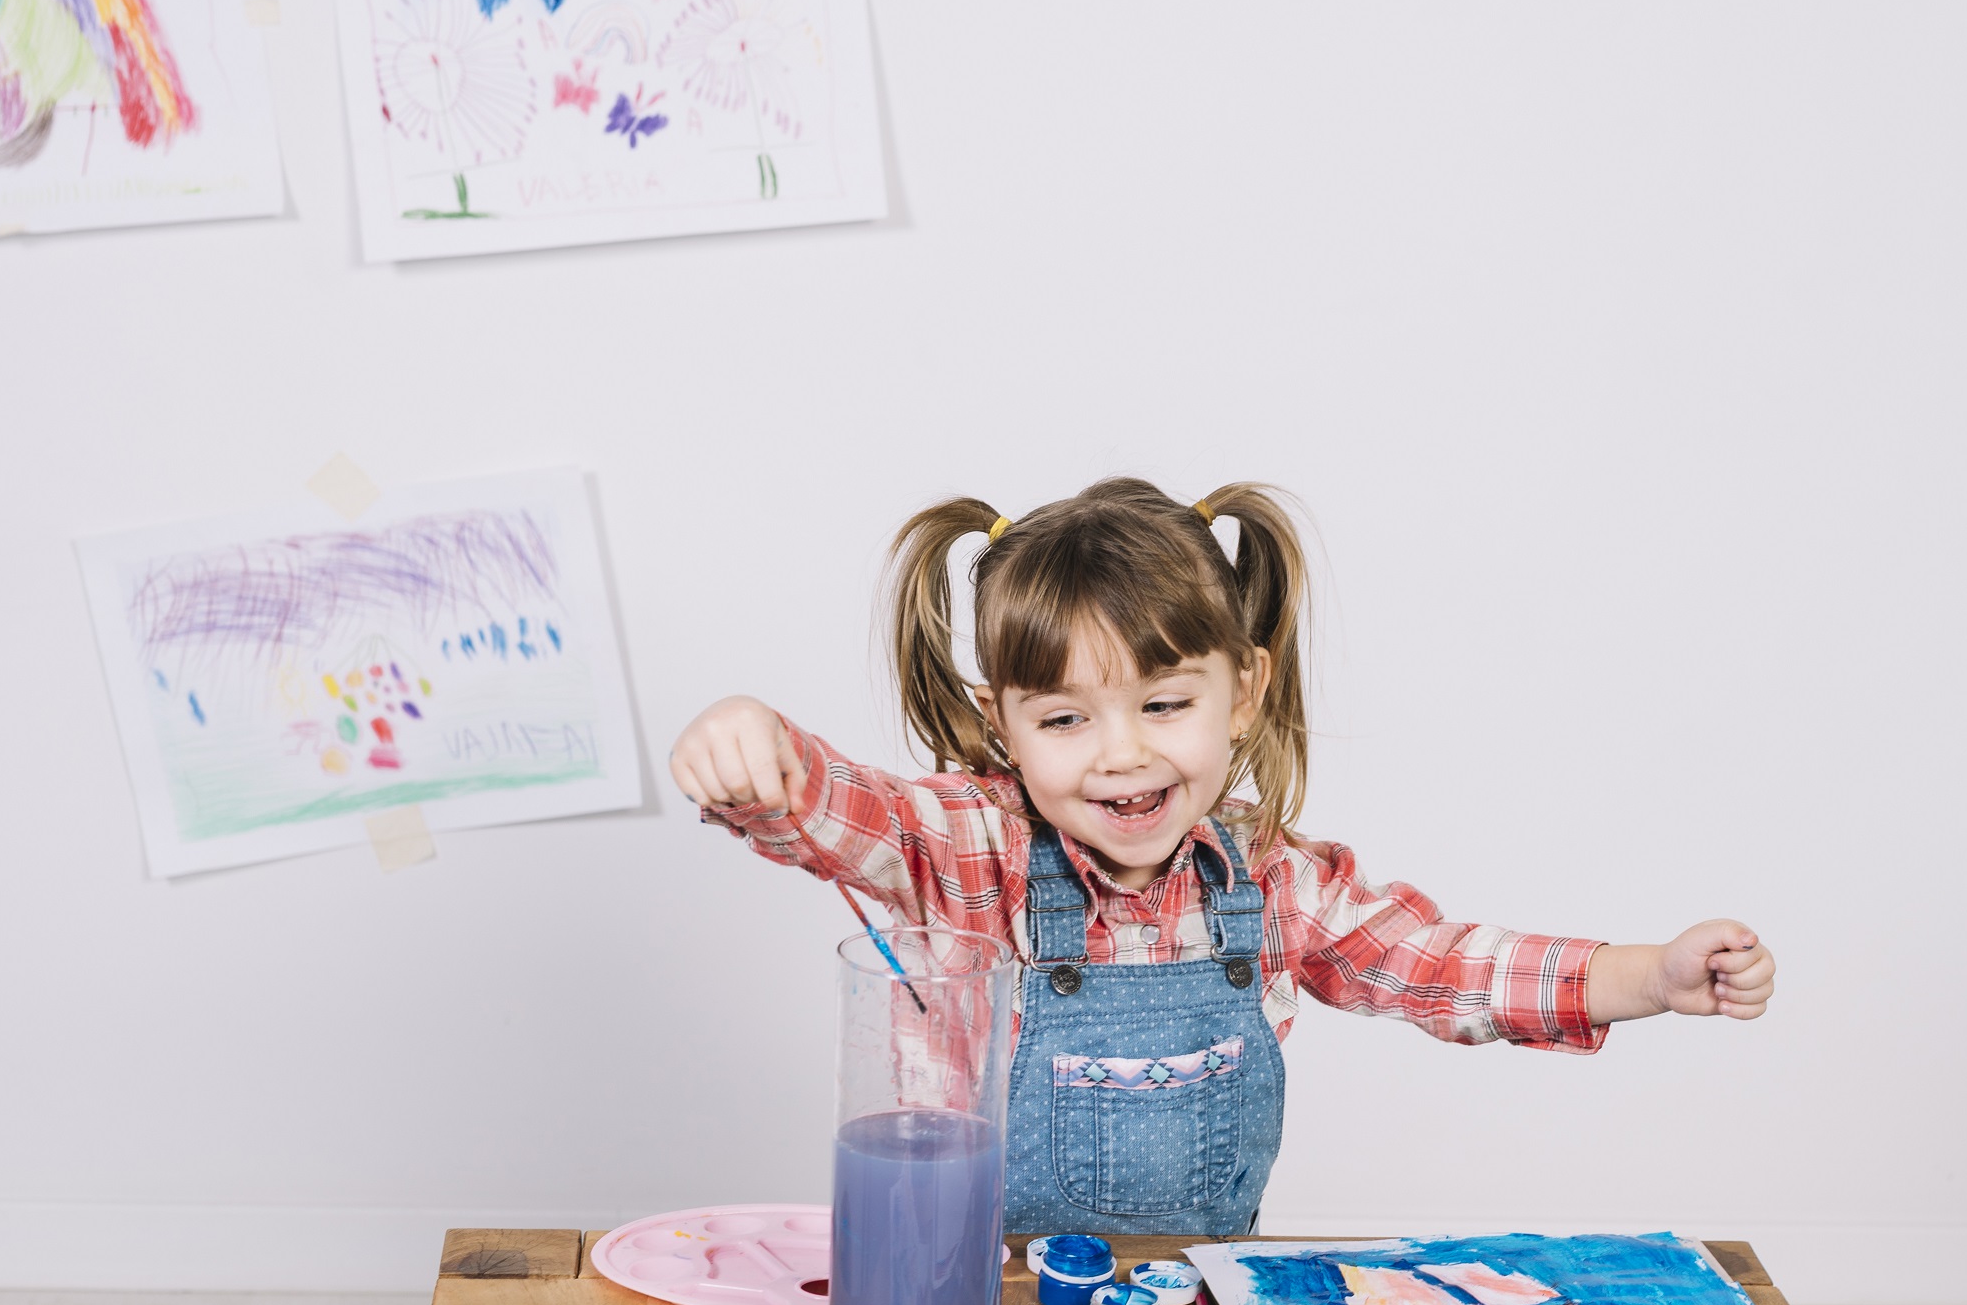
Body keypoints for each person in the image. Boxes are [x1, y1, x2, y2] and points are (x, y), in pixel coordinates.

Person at [672, 477, 1775, 1236]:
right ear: (1000, 722)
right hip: (969, 1298)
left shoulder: (1275, 886)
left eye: (1163, 703)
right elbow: (846, 811)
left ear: (1240, 690)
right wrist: (756, 744)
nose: (1122, 754)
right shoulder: (971, 853)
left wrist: (1648, 975)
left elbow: (1443, 966)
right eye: (1064, 720)